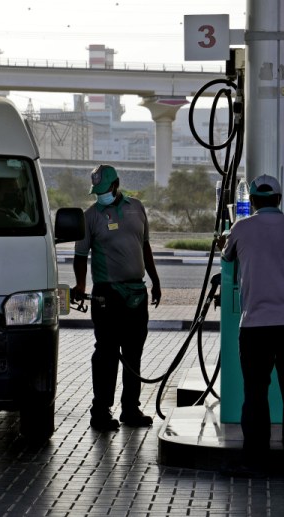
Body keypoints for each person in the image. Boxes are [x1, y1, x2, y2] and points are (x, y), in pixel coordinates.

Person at [218, 174, 284, 472]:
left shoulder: (241, 228)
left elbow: (227, 258)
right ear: (278, 199)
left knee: (255, 393)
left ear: (251, 202)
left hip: (254, 328)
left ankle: (255, 458)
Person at [73, 164, 162, 432]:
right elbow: (80, 257)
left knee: (133, 352)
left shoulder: (137, 208)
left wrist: (155, 281)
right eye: (97, 191)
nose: (101, 195)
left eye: (104, 190)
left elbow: (144, 246)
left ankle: (130, 409)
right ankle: (100, 410)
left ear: (116, 184)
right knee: (106, 353)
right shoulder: (90, 217)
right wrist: (80, 284)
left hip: (137, 292)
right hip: (107, 295)